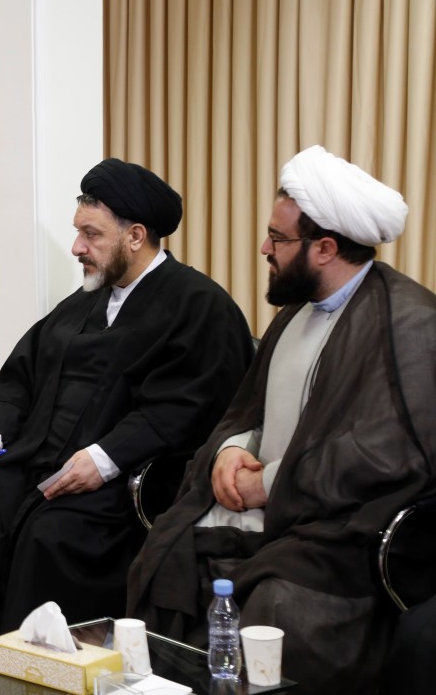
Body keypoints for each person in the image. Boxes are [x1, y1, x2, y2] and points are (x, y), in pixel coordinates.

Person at [0, 159, 254, 687]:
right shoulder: (85, 302)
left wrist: (104, 459)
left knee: (51, 534)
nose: (76, 248)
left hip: (126, 484)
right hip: (41, 462)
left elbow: (186, 409)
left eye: (91, 235)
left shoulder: (199, 306)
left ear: (135, 236)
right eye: (78, 232)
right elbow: (20, 377)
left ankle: (30, 682)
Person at [127, 146, 436, 692]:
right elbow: (250, 409)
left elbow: (387, 455)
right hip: (259, 506)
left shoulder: (410, 323)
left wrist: (270, 483)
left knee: (279, 601)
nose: (264, 248)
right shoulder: (295, 310)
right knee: (168, 549)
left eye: (278, 238)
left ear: (325, 248)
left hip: (341, 525)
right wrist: (231, 450)